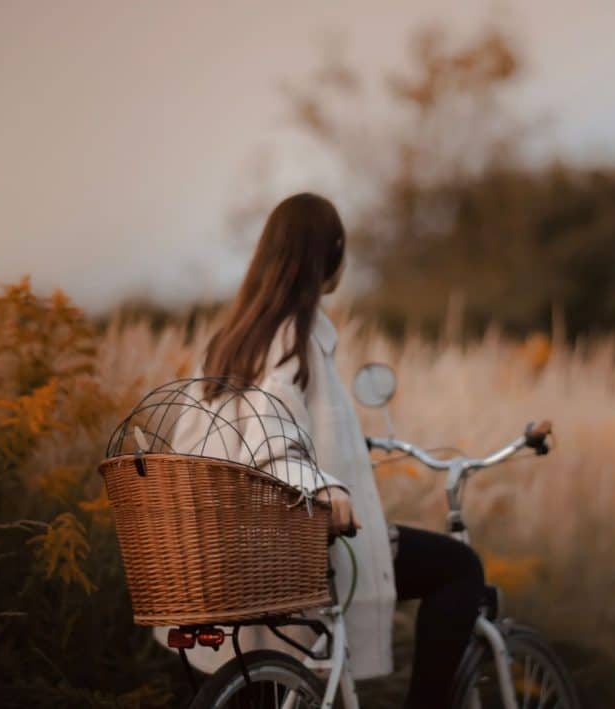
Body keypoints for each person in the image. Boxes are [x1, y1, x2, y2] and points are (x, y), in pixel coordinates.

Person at [160, 192, 485, 707]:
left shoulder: (229, 340)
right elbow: (275, 434)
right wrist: (324, 483)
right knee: (459, 567)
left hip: (235, 544)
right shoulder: (295, 336)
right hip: (300, 541)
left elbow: (207, 441)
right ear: (330, 256)